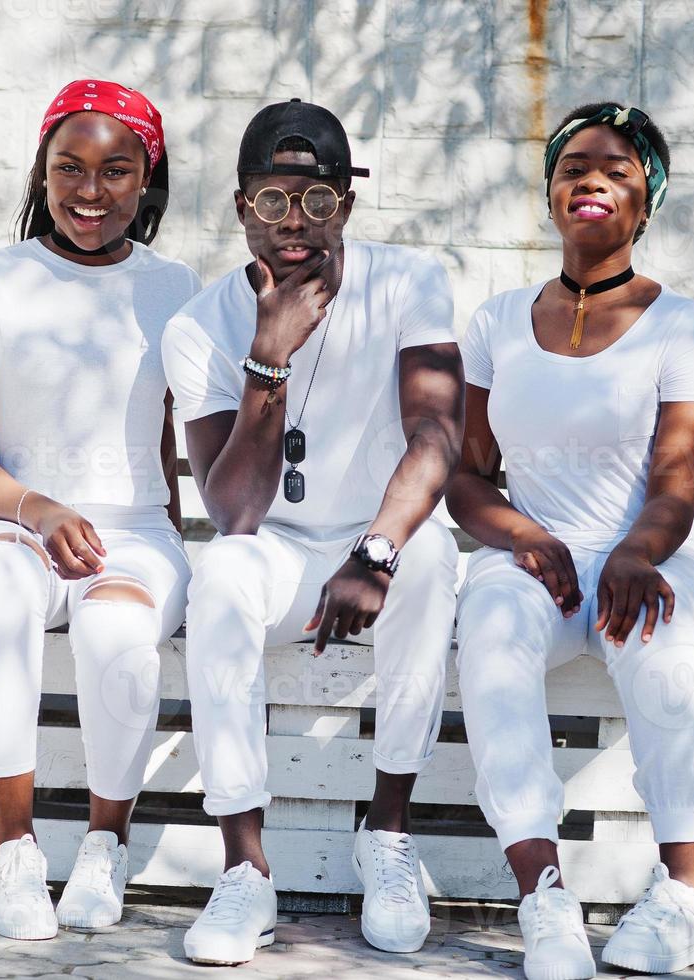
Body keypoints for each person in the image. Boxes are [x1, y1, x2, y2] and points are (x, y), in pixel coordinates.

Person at [160, 98, 465, 966]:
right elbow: (235, 511)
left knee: (432, 552)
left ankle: (389, 838)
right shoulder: (200, 325)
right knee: (219, 573)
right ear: (240, 206)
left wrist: (374, 551)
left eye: (317, 201)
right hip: (279, 554)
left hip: (382, 537)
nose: (294, 225)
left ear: (347, 203)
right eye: (271, 201)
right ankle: (245, 870)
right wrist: (270, 356)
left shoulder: (409, 282)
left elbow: (437, 436)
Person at [447, 103, 694, 979]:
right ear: (550, 194)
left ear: (647, 203)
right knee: (487, 624)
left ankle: (684, 896)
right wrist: (522, 535)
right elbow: (463, 477)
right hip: (539, 561)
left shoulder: (682, 325)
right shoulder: (495, 322)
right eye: (573, 167)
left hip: (651, 551)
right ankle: (543, 897)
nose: (591, 179)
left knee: (659, 637)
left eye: (617, 169)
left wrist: (638, 554)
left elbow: (678, 478)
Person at [0, 79, 200, 942]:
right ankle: (15, 853)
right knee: (4, 597)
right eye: (68, 168)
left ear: (147, 180)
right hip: (14, 527)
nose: (90, 191)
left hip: (134, 534)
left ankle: (101, 847)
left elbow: (179, 434)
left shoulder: (177, 289)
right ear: (42, 173)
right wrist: (40, 510)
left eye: (116, 170)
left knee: (116, 635)